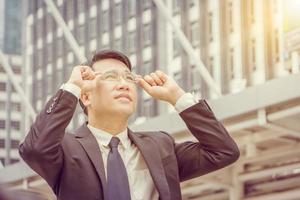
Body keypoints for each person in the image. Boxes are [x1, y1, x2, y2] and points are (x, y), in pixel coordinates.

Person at [19, 50, 239, 200]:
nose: (124, 84)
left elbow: (223, 151)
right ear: (86, 97)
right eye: (111, 77)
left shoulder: (161, 146)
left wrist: (177, 97)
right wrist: (72, 87)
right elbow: (34, 149)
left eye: (128, 77)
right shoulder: (65, 149)